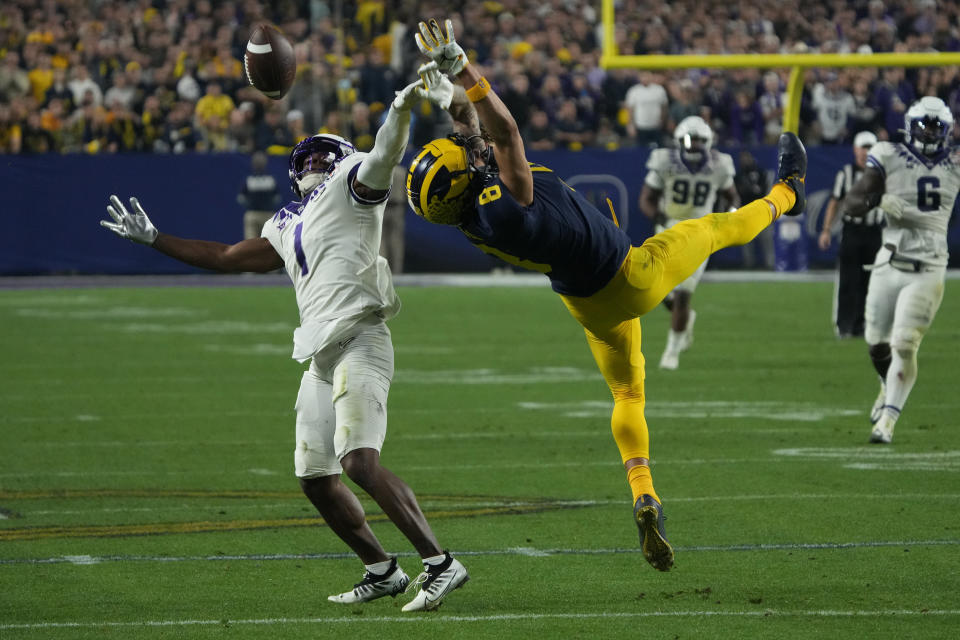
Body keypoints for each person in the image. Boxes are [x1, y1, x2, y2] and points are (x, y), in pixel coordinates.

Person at [410, 18, 807, 572]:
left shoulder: (470, 219)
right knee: (716, 228)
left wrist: (453, 107)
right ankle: (789, 193)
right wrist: (464, 70)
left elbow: (476, 141)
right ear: (470, 178)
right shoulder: (505, 198)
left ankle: (645, 493)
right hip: (630, 274)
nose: (462, 149)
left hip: (588, 306)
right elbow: (502, 132)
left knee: (627, 397)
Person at [100, 63, 468, 612]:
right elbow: (227, 257)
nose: (317, 162)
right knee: (314, 477)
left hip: (362, 339)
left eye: (324, 154)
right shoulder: (286, 221)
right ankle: (381, 569)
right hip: (320, 357)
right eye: (310, 157)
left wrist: (399, 108)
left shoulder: (353, 187)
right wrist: (156, 239)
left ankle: (441, 565)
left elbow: (386, 151)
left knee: (359, 464)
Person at [836, 96, 959, 444]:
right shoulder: (888, 154)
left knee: (905, 342)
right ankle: (884, 383)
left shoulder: (956, 161)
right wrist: (878, 200)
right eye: (925, 125)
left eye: (937, 126)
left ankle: (887, 420)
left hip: (929, 266)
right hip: (889, 261)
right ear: (911, 125)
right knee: (877, 343)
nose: (931, 132)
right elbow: (853, 201)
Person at [638, 116, 738, 370]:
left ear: (709, 142)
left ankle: (672, 351)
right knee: (652, 287)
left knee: (682, 293)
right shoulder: (665, 161)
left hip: (700, 232)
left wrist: (726, 220)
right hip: (668, 228)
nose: (693, 145)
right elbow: (647, 198)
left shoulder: (720, 164)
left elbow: (732, 197)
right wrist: (658, 216)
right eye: (688, 140)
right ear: (679, 141)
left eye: (698, 140)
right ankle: (684, 318)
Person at [817, 131, 885, 338]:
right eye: (863, 147)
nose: (866, 152)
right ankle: (844, 325)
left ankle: (860, 324)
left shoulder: (884, 174)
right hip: (852, 231)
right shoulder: (845, 173)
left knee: (869, 282)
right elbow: (833, 203)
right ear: (855, 150)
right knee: (848, 280)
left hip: (874, 232)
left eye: (869, 147)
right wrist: (826, 230)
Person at [237, 151, 282, 241]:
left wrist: (250, 204)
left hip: (254, 214)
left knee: (251, 244)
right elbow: (277, 198)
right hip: (267, 214)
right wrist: (268, 204)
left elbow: (241, 198)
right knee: (268, 243)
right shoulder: (270, 179)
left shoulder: (249, 179)